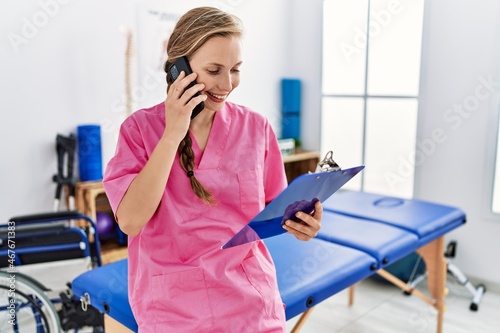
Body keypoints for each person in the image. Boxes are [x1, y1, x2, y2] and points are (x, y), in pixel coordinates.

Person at [103, 6, 322, 332]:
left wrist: (303, 223)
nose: (227, 83)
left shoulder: (256, 127)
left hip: (251, 301)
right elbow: (132, 221)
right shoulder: (139, 130)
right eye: (214, 70)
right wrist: (173, 132)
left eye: (235, 69)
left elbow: (276, 212)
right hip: (172, 306)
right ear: (179, 69)